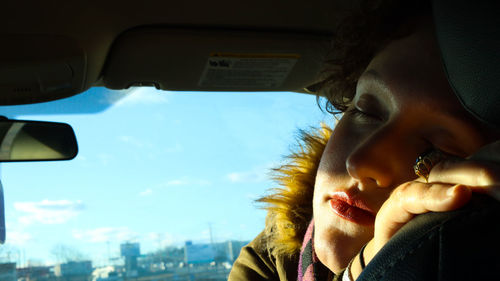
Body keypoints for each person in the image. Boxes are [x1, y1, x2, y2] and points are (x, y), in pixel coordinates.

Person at [228, 1, 500, 281]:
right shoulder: (272, 256)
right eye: (365, 110)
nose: (359, 162)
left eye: (436, 152)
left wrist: (401, 262)